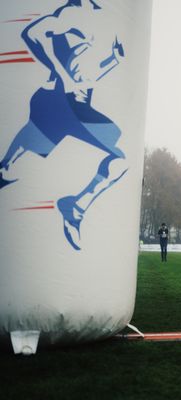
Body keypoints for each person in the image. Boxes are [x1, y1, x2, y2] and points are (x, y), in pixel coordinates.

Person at [0, 0, 127, 251]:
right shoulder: (73, 11)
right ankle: (74, 208)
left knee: (10, 166)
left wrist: (113, 61)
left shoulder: (102, 19)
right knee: (121, 158)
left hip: (72, 106)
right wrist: (64, 76)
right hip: (59, 101)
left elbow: (88, 76)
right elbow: (31, 32)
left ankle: (75, 208)